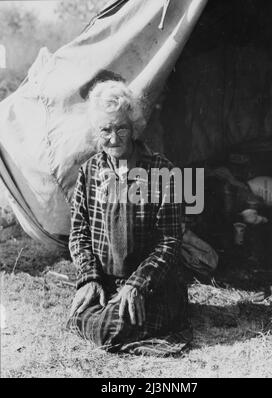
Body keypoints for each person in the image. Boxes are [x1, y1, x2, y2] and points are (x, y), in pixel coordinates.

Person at [67, 80, 191, 356]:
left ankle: (107, 320)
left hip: (152, 286)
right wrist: (89, 278)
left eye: (121, 127)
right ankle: (102, 311)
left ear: (133, 126)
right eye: (105, 130)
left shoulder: (164, 171)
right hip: (106, 283)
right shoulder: (89, 172)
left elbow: (170, 242)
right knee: (90, 313)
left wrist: (137, 284)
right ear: (96, 132)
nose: (113, 138)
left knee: (107, 330)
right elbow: (79, 233)